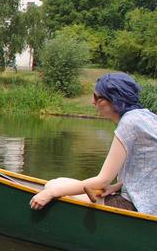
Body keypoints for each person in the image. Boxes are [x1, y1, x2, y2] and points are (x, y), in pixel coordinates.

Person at [30, 72, 157, 215]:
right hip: (150, 204)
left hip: (135, 206)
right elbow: (149, 167)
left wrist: (52, 193)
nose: (92, 102)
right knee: (58, 181)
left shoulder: (129, 124)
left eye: (96, 97)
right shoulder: (147, 116)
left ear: (112, 100)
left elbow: (102, 181)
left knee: (53, 185)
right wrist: (116, 186)